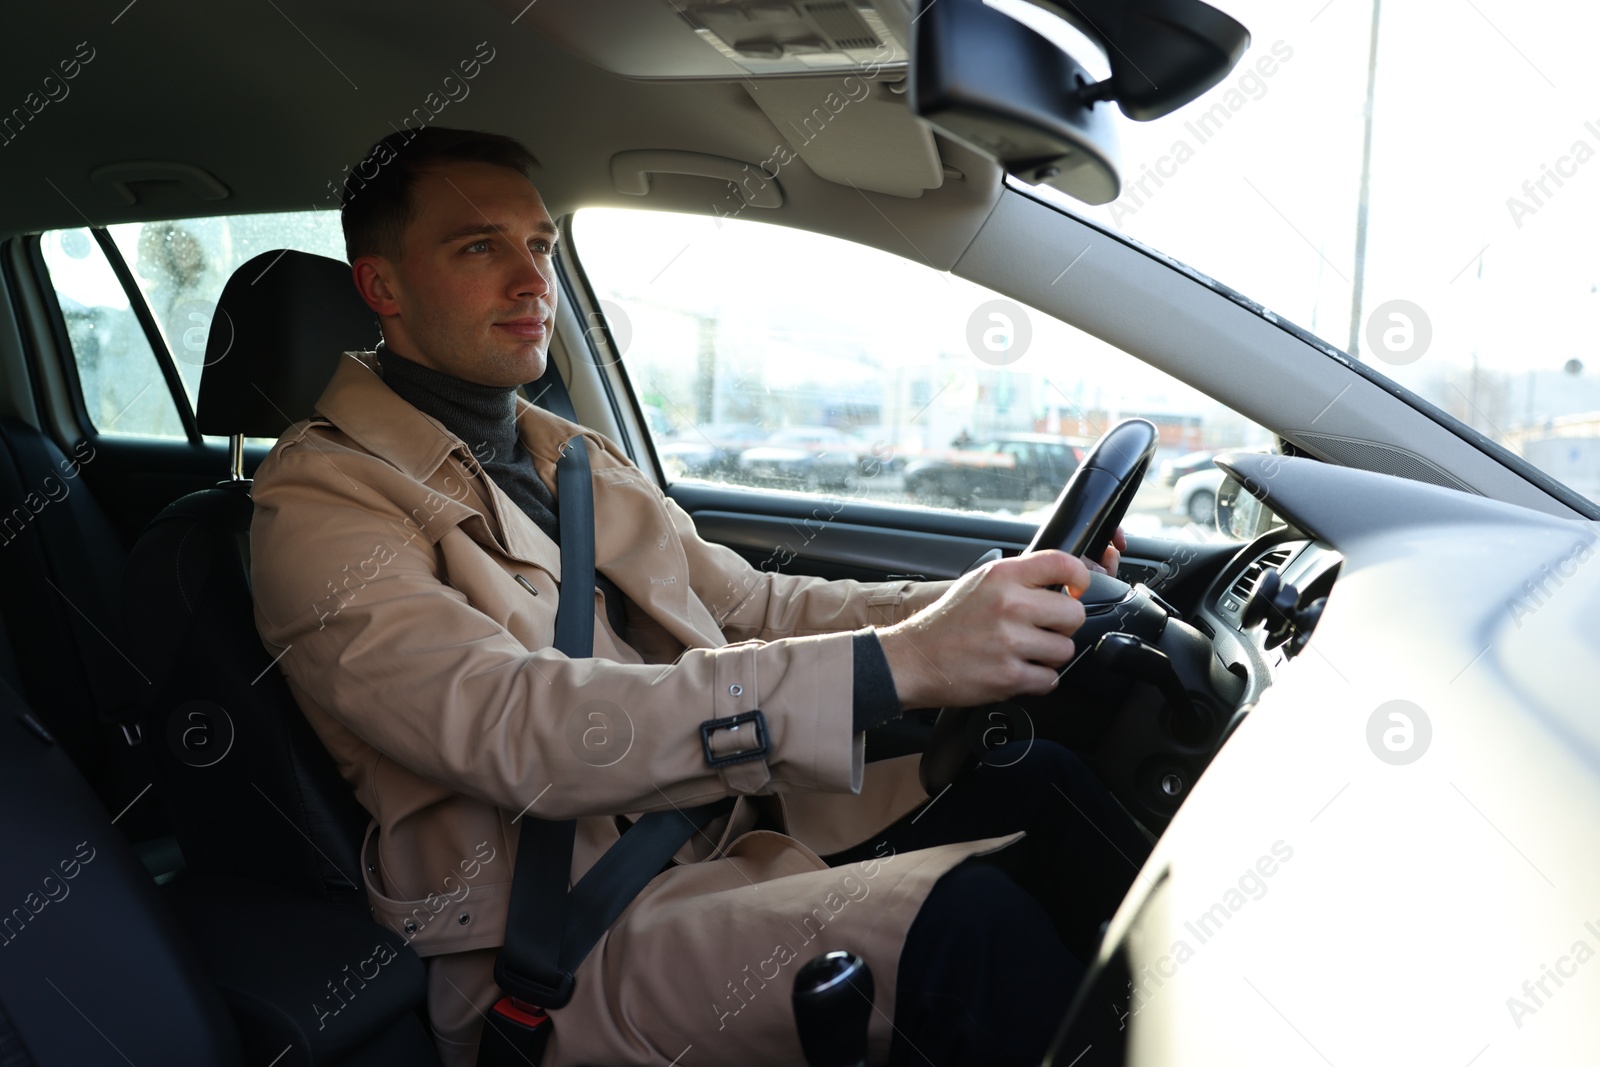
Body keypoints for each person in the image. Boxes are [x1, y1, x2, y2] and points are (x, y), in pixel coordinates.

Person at [249, 126, 1150, 1067]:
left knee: (1044, 790)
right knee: (969, 928)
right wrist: (903, 664)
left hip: (730, 835)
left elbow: (753, 604)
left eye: (540, 246)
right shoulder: (321, 503)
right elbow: (516, 725)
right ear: (382, 286)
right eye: (480, 247)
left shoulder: (570, 454)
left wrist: (977, 604)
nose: (531, 280)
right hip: (568, 939)